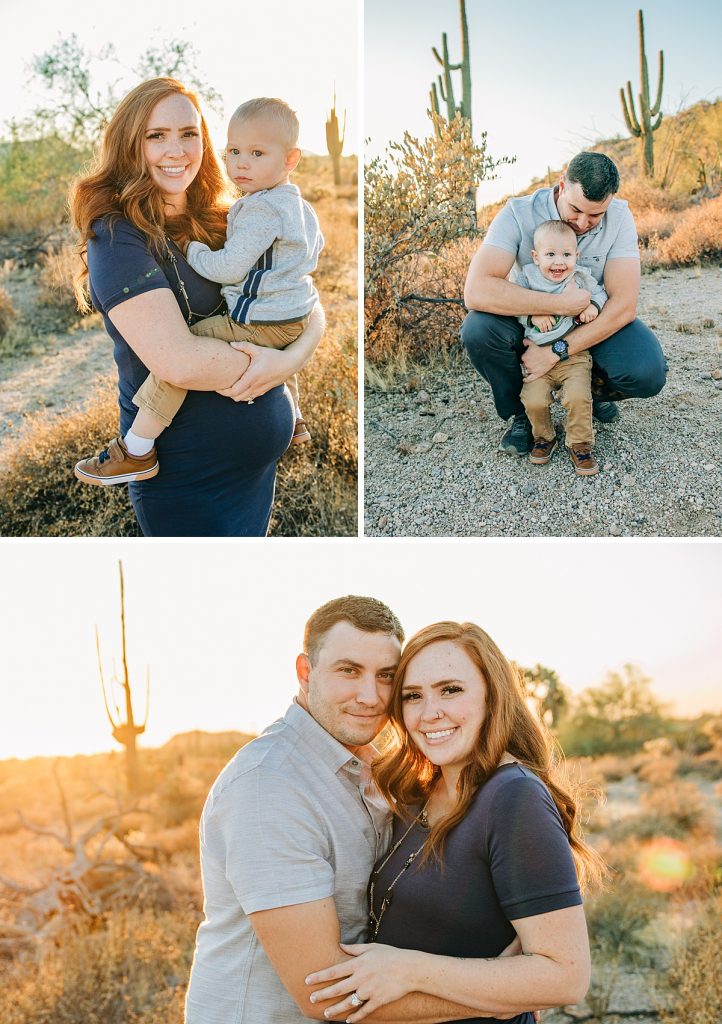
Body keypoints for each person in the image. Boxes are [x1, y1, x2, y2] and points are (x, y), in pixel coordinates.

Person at [185, 599, 530, 1024]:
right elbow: (326, 995)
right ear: (305, 672)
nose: (370, 697)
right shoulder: (269, 786)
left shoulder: (372, 768)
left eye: (386, 676)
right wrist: (500, 995)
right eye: (348, 671)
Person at [305, 621, 605, 1024]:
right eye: (413, 696)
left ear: (491, 696)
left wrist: (411, 970)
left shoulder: (514, 797)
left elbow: (566, 976)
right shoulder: (418, 794)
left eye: (451, 689)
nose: (431, 713)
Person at [69, 78, 324, 535]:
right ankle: (136, 450)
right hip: (185, 477)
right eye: (156, 136)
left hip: (254, 479)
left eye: (189, 133)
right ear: (131, 145)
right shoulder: (117, 236)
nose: (177, 150)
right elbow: (179, 362)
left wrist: (289, 360)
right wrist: (274, 367)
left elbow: (306, 297)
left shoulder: (224, 216)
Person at [461, 151, 667, 457]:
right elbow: (476, 290)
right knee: (478, 329)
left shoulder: (621, 217)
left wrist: (555, 352)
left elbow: (623, 304)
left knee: (646, 371)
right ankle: (521, 413)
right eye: (575, 209)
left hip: (589, 322)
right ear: (561, 185)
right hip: (533, 323)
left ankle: (589, 393)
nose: (583, 223)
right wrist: (559, 305)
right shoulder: (518, 212)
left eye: (595, 215)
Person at [517, 220, 608, 475]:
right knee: (533, 400)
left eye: (567, 255)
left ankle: (580, 443)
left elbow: (601, 295)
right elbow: (510, 307)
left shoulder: (579, 277)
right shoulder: (527, 277)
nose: (559, 262)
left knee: (577, 396)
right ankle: (545, 437)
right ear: (536, 257)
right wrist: (532, 315)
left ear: (576, 256)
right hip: (536, 357)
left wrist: (593, 307)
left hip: (573, 355)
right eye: (550, 254)